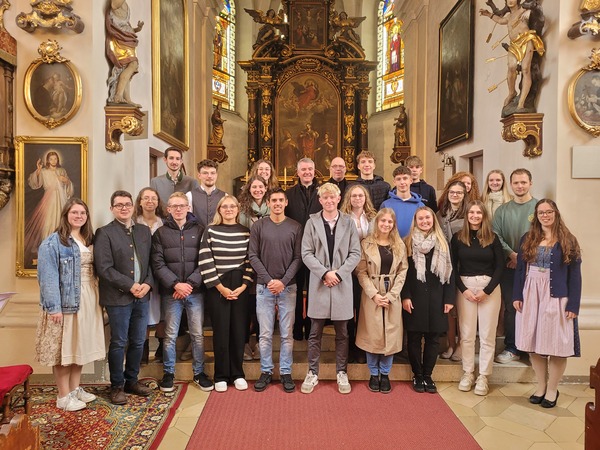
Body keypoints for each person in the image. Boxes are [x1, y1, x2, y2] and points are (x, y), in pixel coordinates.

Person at [35, 198, 105, 411]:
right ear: (66, 215)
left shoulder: (88, 238)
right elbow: (47, 277)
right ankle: (63, 396)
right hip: (66, 302)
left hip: (88, 297)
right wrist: (54, 307)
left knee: (78, 347)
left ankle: (74, 389)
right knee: (64, 350)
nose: (79, 216)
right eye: (74, 212)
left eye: (82, 213)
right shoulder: (53, 242)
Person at [513, 199, 581, 408]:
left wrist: (573, 305)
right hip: (530, 293)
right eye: (541, 212)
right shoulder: (527, 238)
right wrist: (517, 295)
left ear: (556, 213)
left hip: (556, 296)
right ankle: (541, 386)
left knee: (557, 345)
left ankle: (552, 389)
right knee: (533, 343)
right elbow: (520, 270)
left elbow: (575, 275)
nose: (545, 215)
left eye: (549, 211)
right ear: (536, 216)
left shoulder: (568, 240)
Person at [300, 183, 361, 395]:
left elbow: (355, 253)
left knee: (342, 332)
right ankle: (312, 372)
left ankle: (341, 372)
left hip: (342, 282)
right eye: (325, 197)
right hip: (320, 282)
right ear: (320, 200)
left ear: (338, 199)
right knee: (315, 332)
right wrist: (325, 273)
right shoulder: (312, 222)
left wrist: (339, 274)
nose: (328, 200)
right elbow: (306, 253)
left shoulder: (348, 222)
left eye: (332, 197)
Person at [94, 190, 153, 405]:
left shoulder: (144, 231)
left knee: (138, 341)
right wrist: (131, 285)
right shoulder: (104, 233)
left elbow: (152, 262)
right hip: (117, 298)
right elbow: (104, 268)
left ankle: (132, 381)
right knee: (119, 342)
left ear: (133, 207)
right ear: (112, 209)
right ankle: (117, 385)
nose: (124, 208)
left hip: (142, 296)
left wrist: (147, 284)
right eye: (119, 205)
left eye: (127, 204)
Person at [152, 192, 214, 393]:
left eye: (182, 205)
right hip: (171, 293)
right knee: (170, 335)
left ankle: (199, 373)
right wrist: (176, 285)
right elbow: (158, 263)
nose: (178, 209)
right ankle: (168, 373)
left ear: (188, 208)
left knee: (197, 334)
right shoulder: (160, 233)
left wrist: (190, 284)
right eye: (174, 206)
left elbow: (205, 260)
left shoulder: (200, 230)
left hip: (195, 291)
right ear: (168, 209)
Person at [249, 188, 303, 393]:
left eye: (281, 200)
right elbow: (253, 255)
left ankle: (286, 372)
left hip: (288, 287)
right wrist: (269, 280)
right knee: (265, 334)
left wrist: (283, 281)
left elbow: (298, 258)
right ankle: (266, 370)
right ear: (268, 203)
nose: (277, 203)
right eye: (274, 200)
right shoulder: (259, 226)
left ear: (286, 202)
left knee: (287, 334)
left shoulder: (295, 227)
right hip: (264, 287)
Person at [198, 196, 253, 392]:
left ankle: (238, 373)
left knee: (239, 331)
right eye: (225, 206)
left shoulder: (246, 232)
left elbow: (250, 261)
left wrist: (244, 285)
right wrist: (220, 287)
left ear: (238, 210)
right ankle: (220, 375)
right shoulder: (210, 230)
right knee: (221, 331)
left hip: (240, 286)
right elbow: (205, 260)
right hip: (217, 287)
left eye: (232, 206)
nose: (229, 209)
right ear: (219, 210)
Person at [452, 200, 504, 396]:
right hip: (465, 287)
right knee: (466, 335)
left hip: (488, 288)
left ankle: (483, 376)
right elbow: (452, 267)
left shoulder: (493, 238)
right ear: (467, 215)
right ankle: (468, 372)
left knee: (487, 335)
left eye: (478, 213)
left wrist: (487, 290)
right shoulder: (458, 238)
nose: (475, 216)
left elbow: (500, 267)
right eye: (471, 212)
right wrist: (463, 290)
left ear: (484, 216)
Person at [402, 207, 454, 394]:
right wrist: (405, 296)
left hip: (437, 297)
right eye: (421, 218)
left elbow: (450, 272)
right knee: (414, 338)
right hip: (414, 297)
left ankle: (428, 375)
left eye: (428, 218)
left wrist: (449, 298)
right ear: (415, 221)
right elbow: (403, 273)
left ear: (433, 220)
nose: (424, 221)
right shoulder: (407, 242)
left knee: (433, 339)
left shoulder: (443, 242)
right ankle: (417, 375)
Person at [355, 209, 408, 393]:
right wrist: (374, 294)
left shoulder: (399, 244)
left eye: (389, 222)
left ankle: (385, 374)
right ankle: (373, 373)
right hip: (372, 293)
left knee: (390, 334)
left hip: (392, 292)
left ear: (393, 225)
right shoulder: (366, 243)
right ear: (377, 222)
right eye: (383, 221)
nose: (386, 224)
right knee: (372, 333)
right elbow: (361, 272)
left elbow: (403, 271)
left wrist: (392, 295)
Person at [493, 168, 537, 364]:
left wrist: (523, 258)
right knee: (512, 307)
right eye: (516, 183)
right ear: (510, 185)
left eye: (523, 182)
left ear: (530, 183)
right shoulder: (502, 211)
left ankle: (533, 347)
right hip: (509, 268)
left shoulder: (539, 207)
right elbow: (496, 236)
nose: (520, 186)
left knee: (534, 307)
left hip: (535, 268)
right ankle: (512, 347)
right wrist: (512, 255)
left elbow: (544, 235)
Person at [480, 0, 545, 111]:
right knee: (511, 67)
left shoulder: (524, 9)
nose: (510, 0)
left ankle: (521, 102)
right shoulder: (509, 16)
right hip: (514, 44)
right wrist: (489, 14)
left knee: (525, 70)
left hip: (526, 40)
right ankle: (512, 92)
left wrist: (529, 10)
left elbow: (532, 6)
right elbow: (500, 20)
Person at [284, 158, 322, 341]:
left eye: (310, 169)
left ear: (314, 171)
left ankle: (313, 327)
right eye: (303, 169)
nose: (307, 172)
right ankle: (297, 326)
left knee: (315, 288)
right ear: (298, 172)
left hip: (317, 249)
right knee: (296, 288)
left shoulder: (323, 192)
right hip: (295, 249)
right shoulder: (288, 194)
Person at [340, 183, 377, 363]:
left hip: (367, 268)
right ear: (349, 198)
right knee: (348, 310)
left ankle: (362, 348)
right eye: (354, 196)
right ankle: (348, 348)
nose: (357, 198)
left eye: (360, 195)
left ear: (365, 198)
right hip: (347, 268)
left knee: (363, 309)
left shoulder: (373, 217)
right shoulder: (342, 217)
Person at [237, 175, 269, 361]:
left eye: (260, 187)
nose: (257, 190)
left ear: (266, 189)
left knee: (261, 307)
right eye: (254, 187)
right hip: (246, 260)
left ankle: (258, 342)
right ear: (249, 189)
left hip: (266, 261)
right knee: (246, 306)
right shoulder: (242, 209)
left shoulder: (271, 207)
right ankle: (243, 343)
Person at [436, 180, 467, 361]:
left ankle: (462, 344)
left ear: (464, 195)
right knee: (448, 306)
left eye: (459, 193)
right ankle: (450, 344)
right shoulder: (440, 214)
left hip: (462, 264)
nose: (455, 195)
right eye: (452, 192)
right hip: (444, 264)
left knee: (461, 308)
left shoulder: (468, 214)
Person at [24, 151, 74, 266]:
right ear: (47, 160)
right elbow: (34, 183)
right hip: (49, 199)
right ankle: (47, 251)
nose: (53, 161)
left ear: (58, 160)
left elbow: (68, 186)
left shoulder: (62, 171)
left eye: (55, 159)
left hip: (61, 199)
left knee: (60, 221)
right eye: (51, 159)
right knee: (48, 222)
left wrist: (66, 181)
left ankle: (60, 250)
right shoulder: (44, 171)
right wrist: (38, 170)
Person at [134, 187, 164, 363]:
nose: (150, 201)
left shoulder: (164, 223)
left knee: (162, 311)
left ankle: (161, 347)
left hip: (162, 271)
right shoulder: (133, 223)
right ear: (140, 201)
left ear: (158, 202)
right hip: (142, 274)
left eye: (153, 198)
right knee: (143, 312)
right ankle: (143, 349)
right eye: (146, 198)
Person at [105, 0, 143, 105]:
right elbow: (113, 5)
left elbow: (124, 25)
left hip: (127, 38)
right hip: (121, 39)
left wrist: (137, 29)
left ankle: (127, 98)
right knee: (132, 64)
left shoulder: (125, 4)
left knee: (128, 66)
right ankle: (118, 95)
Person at [150, 147, 198, 214]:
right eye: (171, 158)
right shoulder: (155, 182)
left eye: (177, 159)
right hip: (163, 219)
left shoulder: (192, 182)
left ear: (181, 161)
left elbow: (196, 207)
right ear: (165, 160)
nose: (174, 162)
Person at [380, 166, 425, 238]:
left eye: (405, 178)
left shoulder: (420, 205)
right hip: (392, 243)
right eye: (398, 179)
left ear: (411, 180)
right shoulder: (386, 205)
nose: (402, 182)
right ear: (394, 182)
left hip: (414, 243)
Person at [187, 159, 227, 230]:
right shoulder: (190, 196)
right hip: (196, 236)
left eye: (213, 173)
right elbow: (187, 220)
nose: (209, 176)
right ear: (199, 175)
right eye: (205, 173)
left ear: (216, 175)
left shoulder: (225, 196)